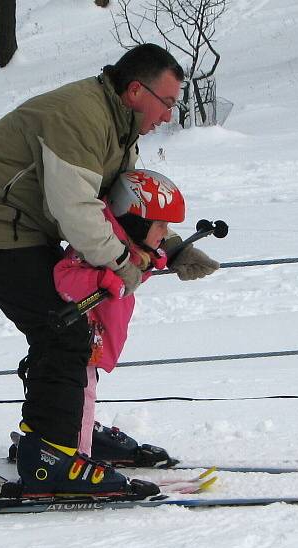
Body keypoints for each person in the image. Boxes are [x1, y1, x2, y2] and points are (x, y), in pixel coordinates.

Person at [0, 43, 219, 498]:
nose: (169, 115)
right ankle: (53, 457)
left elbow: (121, 207)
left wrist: (171, 247)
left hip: (18, 227)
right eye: (167, 103)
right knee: (63, 330)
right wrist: (125, 262)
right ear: (134, 90)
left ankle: (65, 432)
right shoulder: (81, 116)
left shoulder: (118, 127)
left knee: (67, 327)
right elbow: (78, 210)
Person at [53, 169, 183, 463]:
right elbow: (65, 277)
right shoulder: (95, 247)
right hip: (79, 339)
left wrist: (167, 258)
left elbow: (138, 271)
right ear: (135, 221)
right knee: (82, 399)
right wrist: (101, 281)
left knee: (82, 397)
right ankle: (78, 461)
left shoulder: (127, 247)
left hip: (94, 341)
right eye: (160, 225)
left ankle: (62, 442)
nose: (165, 233)